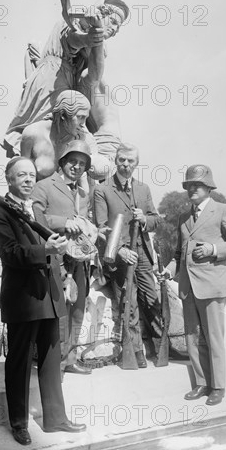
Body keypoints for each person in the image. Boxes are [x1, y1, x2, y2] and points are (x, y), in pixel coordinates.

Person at [0, 157, 86, 446]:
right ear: (9, 179)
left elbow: (54, 251)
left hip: (51, 297)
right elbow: (12, 253)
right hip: (24, 300)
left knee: (52, 361)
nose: (29, 180)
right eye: (21, 175)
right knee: (18, 363)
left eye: (31, 175)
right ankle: (18, 423)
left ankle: (56, 419)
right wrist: (45, 249)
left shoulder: (37, 213)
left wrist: (65, 273)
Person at [1, 0, 129, 177]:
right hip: (52, 80)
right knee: (45, 130)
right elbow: (73, 39)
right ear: (101, 13)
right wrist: (89, 37)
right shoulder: (75, 23)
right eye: (114, 22)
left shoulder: (98, 44)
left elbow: (95, 74)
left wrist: (96, 39)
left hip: (66, 82)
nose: (115, 29)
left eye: (119, 27)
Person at [163, 165, 226, 406]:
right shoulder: (183, 217)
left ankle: (218, 387)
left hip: (212, 286)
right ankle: (201, 383)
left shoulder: (223, 210)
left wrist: (214, 249)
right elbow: (178, 252)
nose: (191, 188)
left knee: (213, 338)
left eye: (196, 185)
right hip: (188, 287)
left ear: (209, 188)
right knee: (192, 336)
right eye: (188, 185)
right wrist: (169, 270)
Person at [93, 143, 163, 368]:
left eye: (130, 161)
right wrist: (121, 251)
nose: (125, 164)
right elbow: (102, 228)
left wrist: (145, 219)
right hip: (119, 256)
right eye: (122, 159)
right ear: (115, 160)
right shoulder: (102, 189)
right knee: (129, 305)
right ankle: (135, 353)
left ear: (136, 163)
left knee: (152, 300)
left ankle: (160, 347)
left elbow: (155, 220)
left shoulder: (143, 189)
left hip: (142, 252)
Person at [31, 140, 96, 376]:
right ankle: (54, 365)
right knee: (59, 311)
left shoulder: (83, 194)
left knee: (78, 309)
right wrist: (63, 222)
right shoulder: (44, 186)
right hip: (55, 258)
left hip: (78, 259)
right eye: (72, 161)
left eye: (82, 164)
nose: (77, 167)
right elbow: (36, 219)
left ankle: (71, 359)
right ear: (62, 162)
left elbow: (82, 222)